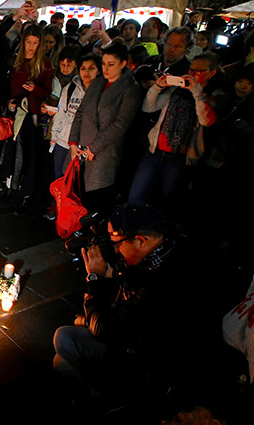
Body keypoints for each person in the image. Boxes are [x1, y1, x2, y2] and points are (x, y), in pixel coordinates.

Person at [52, 202, 215, 403]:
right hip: (142, 337)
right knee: (61, 362)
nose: (117, 250)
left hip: (154, 361)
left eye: (117, 243)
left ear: (141, 241)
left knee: (64, 339)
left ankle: (109, 396)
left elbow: (107, 328)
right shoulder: (168, 248)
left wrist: (95, 280)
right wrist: (115, 277)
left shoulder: (164, 282)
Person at [128, 51, 219, 216]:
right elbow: (149, 107)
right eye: (191, 69)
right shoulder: (176, 90)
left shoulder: (213, 95)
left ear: (211, 73)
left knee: (166, 203)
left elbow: (207, 121)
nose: (192, 74)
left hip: (180, 157)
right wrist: (158, 87)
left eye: (198, 71)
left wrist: (197, 92)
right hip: (155, 150)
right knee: (135, 196)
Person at [66, 43, 141, 218]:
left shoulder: (130, 89)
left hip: (105, 150)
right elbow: (81, 112)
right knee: (77, 190)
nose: (106, 69)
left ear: (123, 64)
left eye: (111, 64)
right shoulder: (98, 82)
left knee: (97, 194)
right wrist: (73, 142)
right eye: (104, 64)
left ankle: (96, 234)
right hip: (82, 147)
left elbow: (121, 124)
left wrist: (94, 147)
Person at [3, 24, 53, 213]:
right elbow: (9, 88)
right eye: (28, 42)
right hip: (15, 114)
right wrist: (9, 102)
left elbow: (47, 91)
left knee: (29, 157)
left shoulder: (44, 64)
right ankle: (11, 188)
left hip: (32, 116)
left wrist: (35, 91)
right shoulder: (16, 61)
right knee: (12, 154)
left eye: (35, 43)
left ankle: (25, 194)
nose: (31, 46)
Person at [50, 53, 100, 181]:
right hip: (64, 140)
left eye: (91, 68)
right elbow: (61, 113)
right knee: (59, 179)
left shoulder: (101, 92)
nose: (86, 72)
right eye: (83, 68)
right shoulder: (71, 88)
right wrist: (54, 136)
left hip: (86, 145)